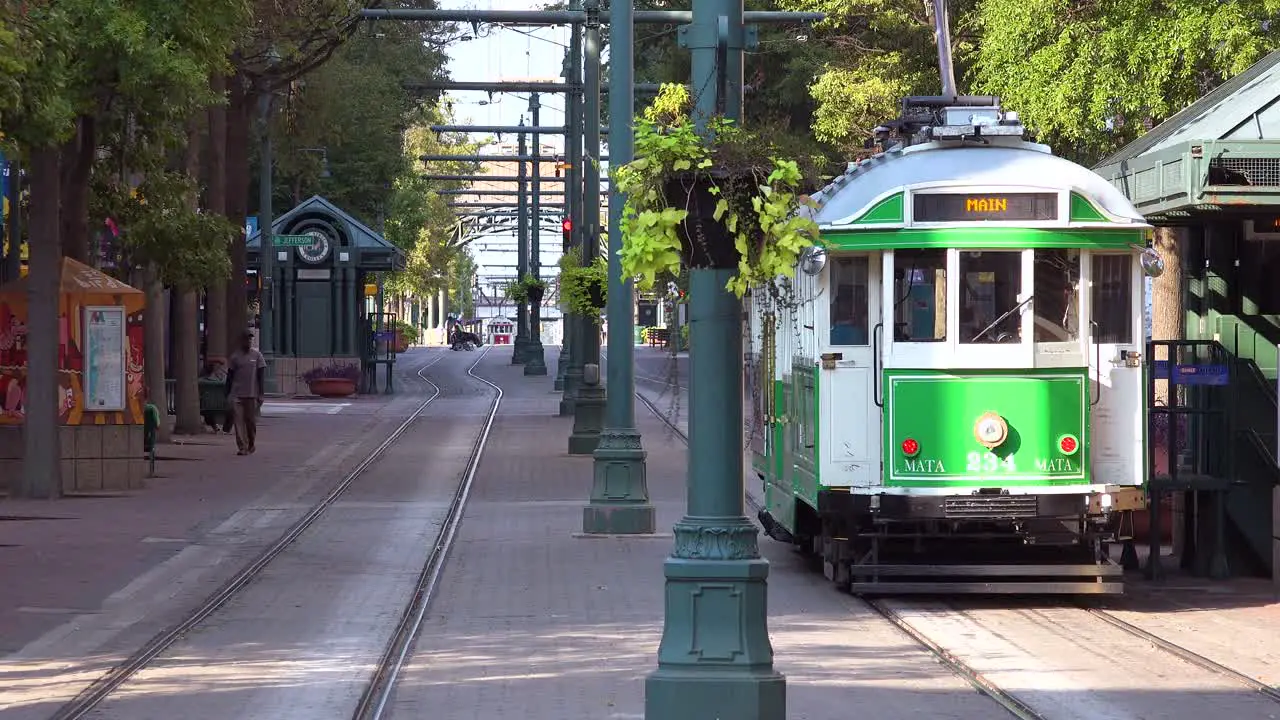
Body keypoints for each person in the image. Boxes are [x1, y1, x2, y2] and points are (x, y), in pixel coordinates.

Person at [225, 330, 266, 455]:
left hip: (252, 394)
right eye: (246, 339)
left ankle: (251, 443)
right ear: (241, 341)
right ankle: (242, 446)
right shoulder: (235, 357)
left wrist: (261, 393)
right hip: (237, 394)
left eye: (250, 339)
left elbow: (261, 375)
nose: (248, 341)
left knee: (250, 422)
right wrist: (227, 393)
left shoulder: (257, 356)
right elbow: (230, 377)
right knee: (238, 422)